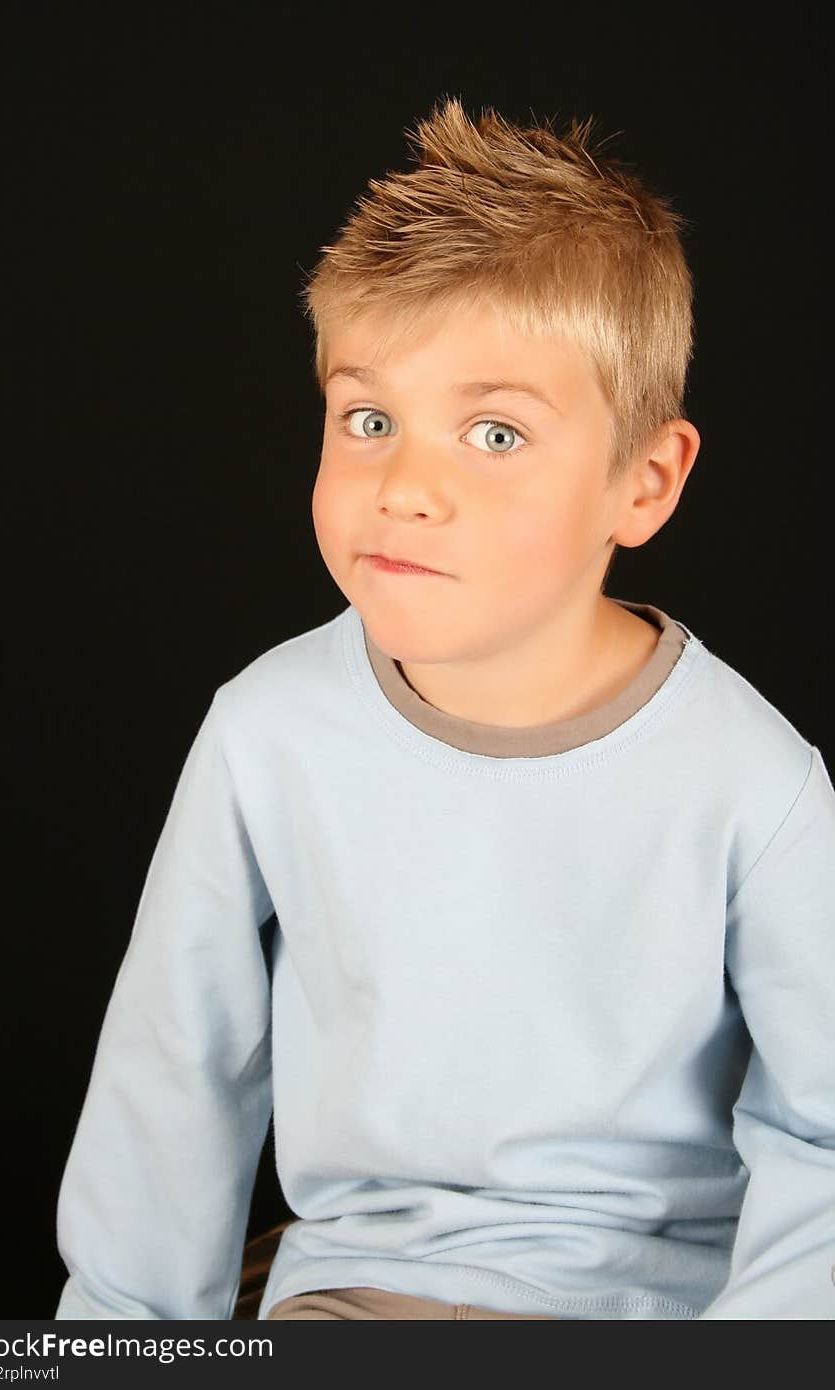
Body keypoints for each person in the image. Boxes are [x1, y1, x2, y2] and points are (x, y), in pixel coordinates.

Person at [54, 97, 835, 1321]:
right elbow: (178, 1070)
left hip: (652, 1313)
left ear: (645, 480)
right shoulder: (267, 732)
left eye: (493, 431)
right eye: (369, 419)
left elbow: (823, 1136)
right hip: (353, 1294)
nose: (405, 486)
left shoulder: (754, 784)